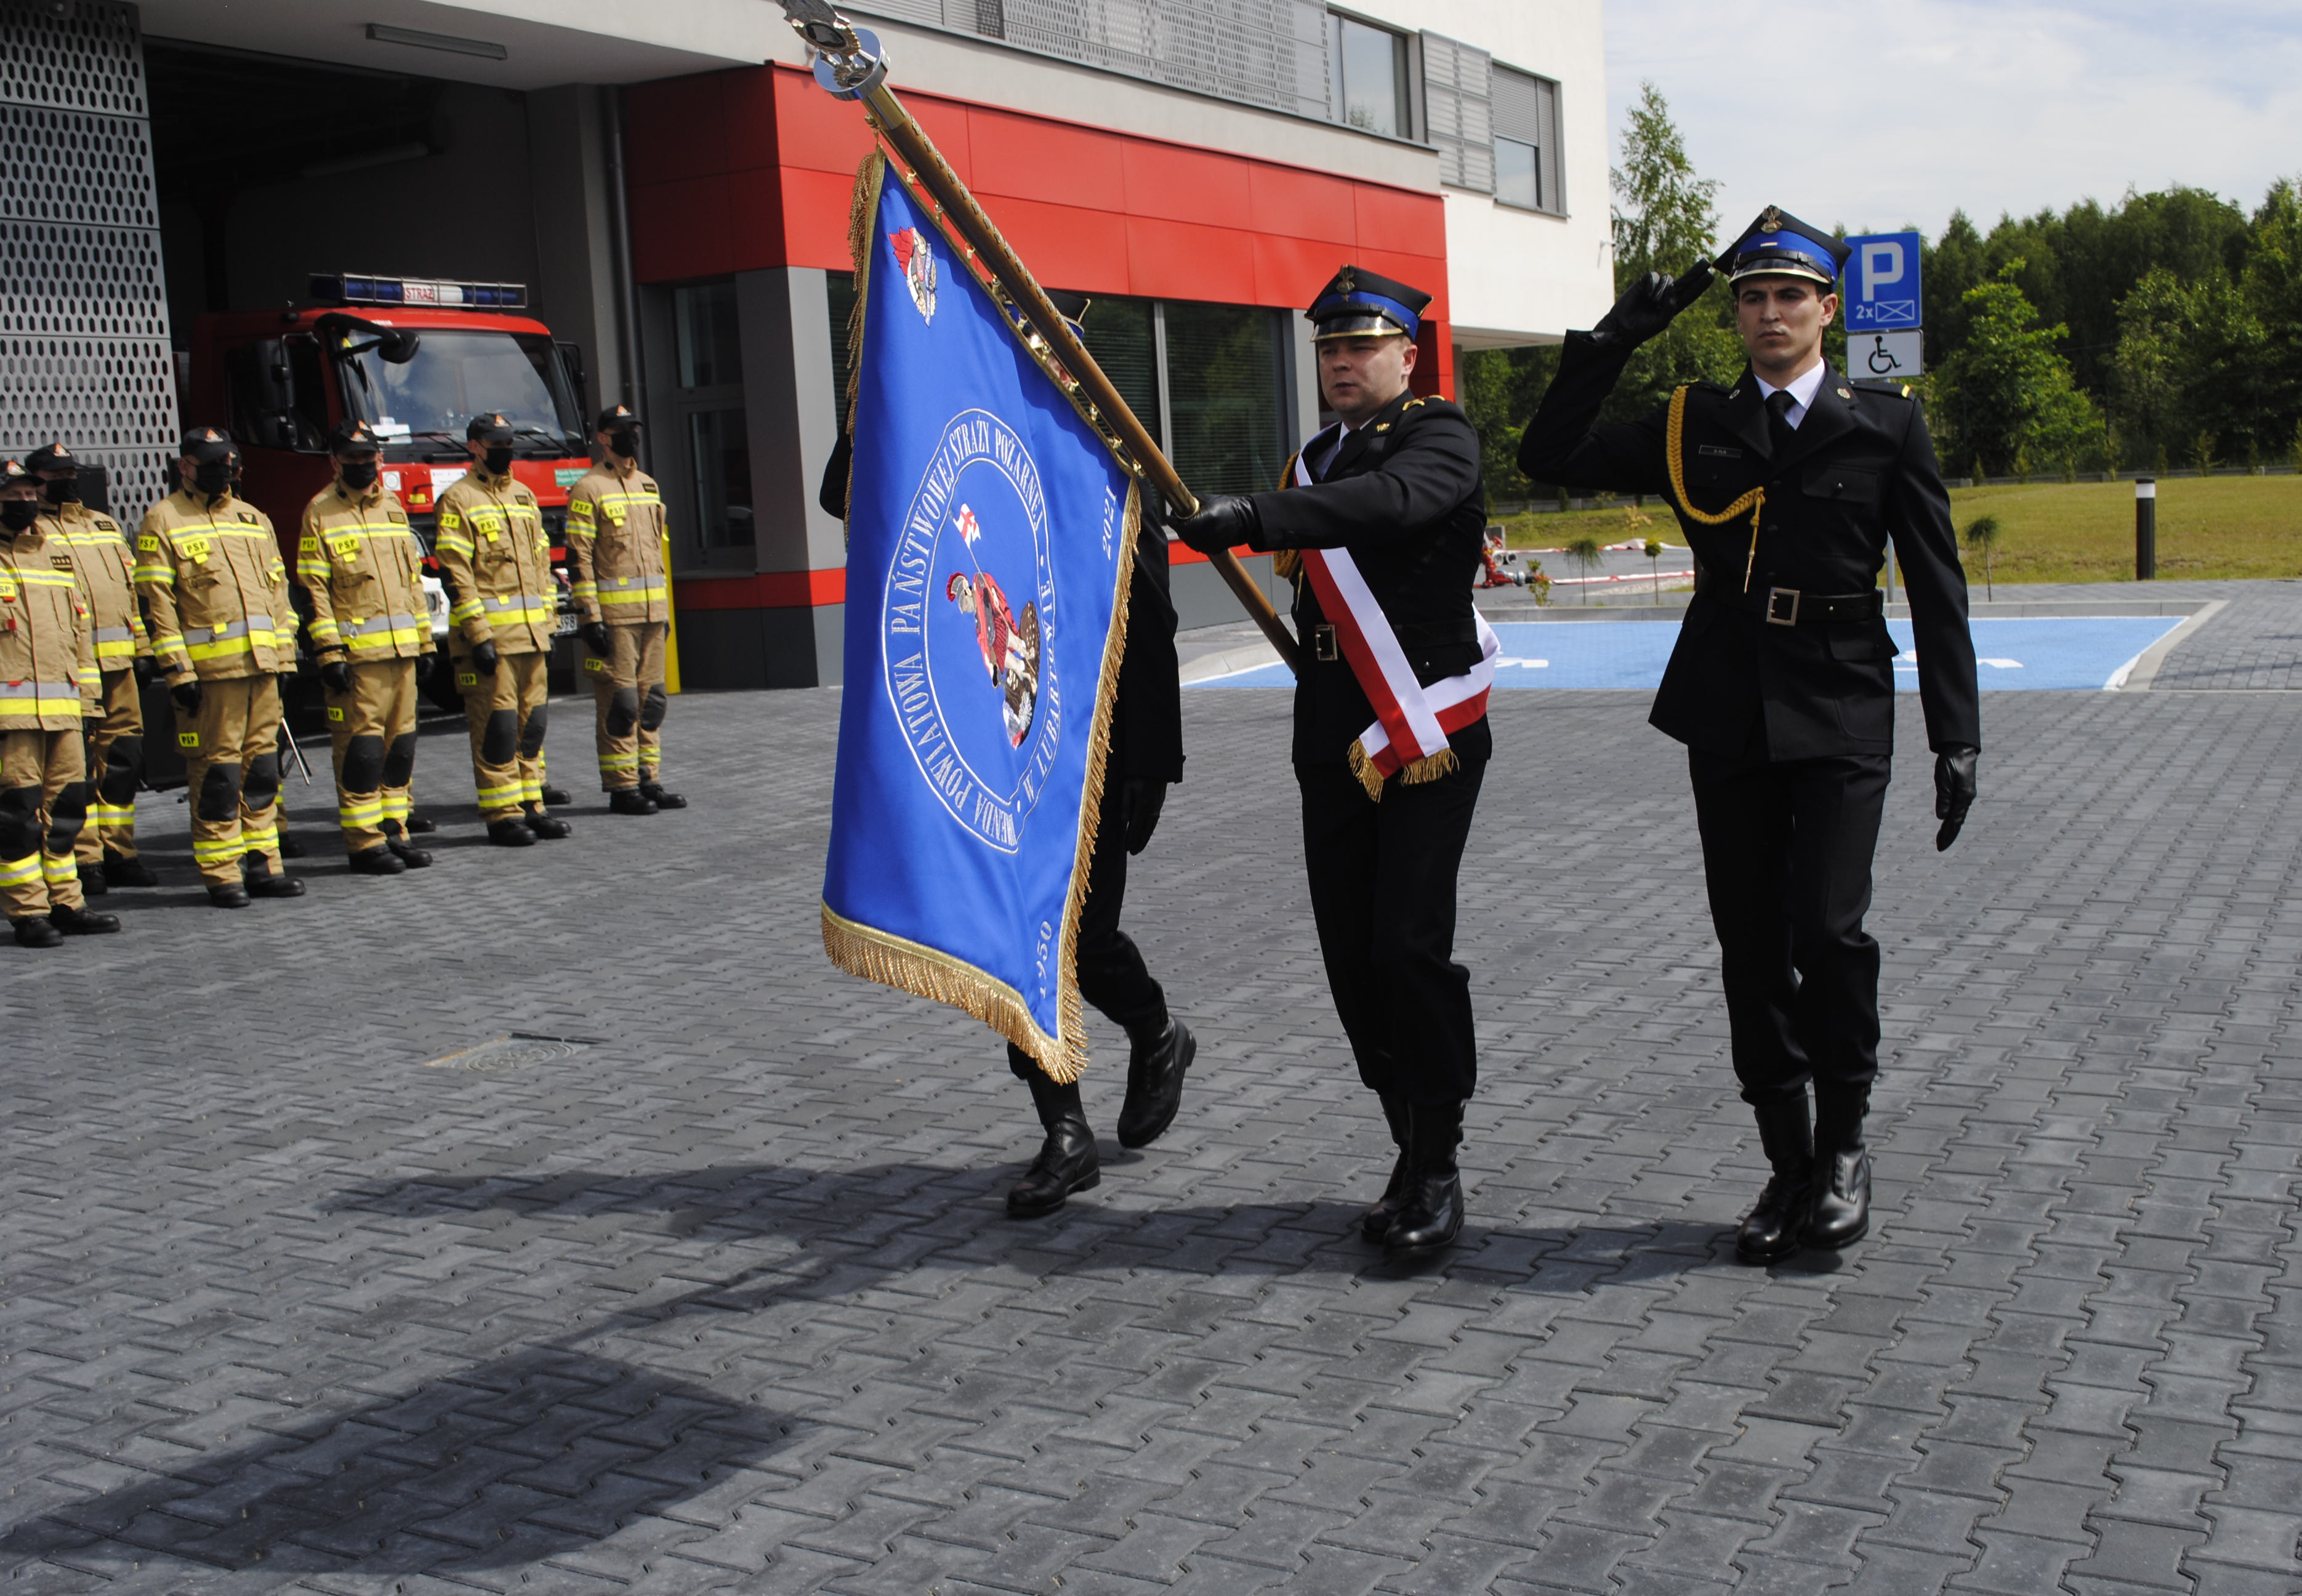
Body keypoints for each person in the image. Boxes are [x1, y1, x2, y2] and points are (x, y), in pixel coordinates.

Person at [1516, 206, 1982, 1265]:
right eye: (1752, 298)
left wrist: (1957, 731)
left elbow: (1937, 586)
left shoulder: (1885, 425)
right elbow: (1549, 451)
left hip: (1842, 698)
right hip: (1727, 702)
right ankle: (1787, 1157)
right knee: (1752, 947)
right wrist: (1610, 338)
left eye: (1789, 296)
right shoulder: (1694, 421)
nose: (1770, 314)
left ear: (1827, 309)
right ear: (1735, 315)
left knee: (1828, 929)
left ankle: (1847, 1146)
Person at [1169, 265, 1493, 1259]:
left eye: (1362, 346)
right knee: (1352, 961)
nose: (1344, 363)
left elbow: (1391, 507)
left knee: (1407, 945)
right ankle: (1405, 1143)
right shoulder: (1314, 455)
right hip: (1331, 739)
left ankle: (1438, 1160)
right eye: (1330, 349)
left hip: (1424, 731)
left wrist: (1255, 516)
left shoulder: (1438, 438)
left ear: (1408, 354)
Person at [818, 435, 1198, 1220]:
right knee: (1016, 940)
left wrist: (1151, 759)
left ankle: (1155, 1027)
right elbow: (846, 494)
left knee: (1085, 941)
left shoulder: (1103, 454)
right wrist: (872, 407)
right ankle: (1065, 1133)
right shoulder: (974, 422)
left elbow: (1150, 616)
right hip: (999, 740)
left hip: (1092, 743)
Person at [134, 428, 306, 907]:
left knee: (262, 773)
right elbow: (158, 606)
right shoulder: (163, 519)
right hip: (211, 680)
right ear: (184, 466)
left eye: (227, 462)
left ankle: (263, 866)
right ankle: (222, 872)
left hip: (263, 670)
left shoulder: (254, 518)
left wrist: (286, 656)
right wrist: (177, 671)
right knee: (218, 776)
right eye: (209, 463)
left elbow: (278, 596)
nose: (221, 471)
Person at [294, 421, 435, 873]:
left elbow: (411, 581)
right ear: (335, 462)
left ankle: (395, 830)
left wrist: (426, 640)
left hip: (402, 654)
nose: (361, 466)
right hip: (357, 661)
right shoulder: (320, 512)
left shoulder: (393, 506)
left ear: (379, 459)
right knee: (362, 752)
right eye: (350, 458)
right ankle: (364, 841)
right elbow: (314, 589)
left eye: (368, 458)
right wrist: (330, 653)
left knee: (400, 750)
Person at [25, 443, 159, 894]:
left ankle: (120, 851)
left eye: (69, 471)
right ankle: (86, 860)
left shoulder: (103, 524)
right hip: (72, 673)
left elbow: (128, 593)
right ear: (35, 480)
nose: (65, 479)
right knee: (76, 772)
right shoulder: (34, 531)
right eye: (54, 473)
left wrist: (142, 649)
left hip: (119, 668)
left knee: (123, 764)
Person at [433, 413, 569, 847]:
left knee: (533, 727)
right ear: (474, 446)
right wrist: (478, 635)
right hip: (491, 642)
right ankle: (502, 814)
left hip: (531, 637)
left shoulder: (525, 496)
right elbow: (456, 575)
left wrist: (548, 626)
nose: (505, 449)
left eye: (509, 441)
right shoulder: (458, 499)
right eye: (496, 442)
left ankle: (532, 805)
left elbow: (541, 565)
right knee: (498, 728)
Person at [0, 461, 117, 945]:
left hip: (65, 711)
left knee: (66, 812)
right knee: (17, 816)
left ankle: (67, 902)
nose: (25, 501)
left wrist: (88, 702)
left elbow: (79, 636)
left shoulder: (54, 558)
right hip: (12, 720)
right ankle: (28, 911)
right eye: (13, 495)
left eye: (30, 491)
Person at [565, 404, 684, 815]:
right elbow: (578, 559)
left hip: (652, 616)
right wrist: (590, 616)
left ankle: (648, 778)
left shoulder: (649, 486)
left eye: (634, 429)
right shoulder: (588, 489)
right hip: (615, 621)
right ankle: (622, 785)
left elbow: (657, 555)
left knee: (652, 703)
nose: (630, 437)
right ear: (603, 437)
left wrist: (665, 613)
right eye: (620, 431)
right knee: (621, 705)